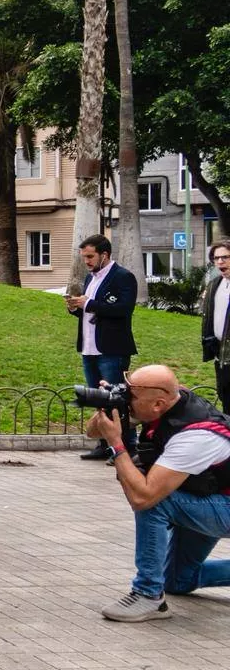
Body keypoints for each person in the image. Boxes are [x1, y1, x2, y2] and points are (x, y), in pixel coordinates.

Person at [92, 364, 230, 621]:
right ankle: (162, 586)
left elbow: (143, 497)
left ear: (157, 404)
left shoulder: (195, 436)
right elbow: (92, 431)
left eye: (131, 396)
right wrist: (111, 406)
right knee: (178, 580)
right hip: (207, 496)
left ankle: (148, 595)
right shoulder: (164, 403)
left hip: (225, 505)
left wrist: (116, 444)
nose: (127, 399)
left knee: (155, 502)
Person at [67, 234, 139, 462]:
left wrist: (87, 303)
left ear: (104, 255)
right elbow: (91, 310)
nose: (86, 261)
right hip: (89, 348)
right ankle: (103, 444)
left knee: (116, 400)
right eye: (84, 257)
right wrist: (75, 308)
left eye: (90, 256)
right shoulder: (91, 278)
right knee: (98, 400)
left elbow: (123, 309)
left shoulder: (123, 277)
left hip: (112, 349)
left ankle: (126, 448)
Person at [200, 241, 230, 412]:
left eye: (225, 257)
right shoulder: (215, 284)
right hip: (221, 353)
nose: (220, 262)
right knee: (225, 398)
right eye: (216, 258)